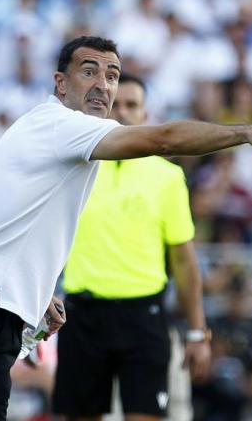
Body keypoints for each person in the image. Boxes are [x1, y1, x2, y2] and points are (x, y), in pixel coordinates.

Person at [0, 36, 252, 421]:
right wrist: (245, 132)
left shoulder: (51, 131)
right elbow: (164, 139)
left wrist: (36, 290)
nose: (103, 84)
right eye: (89, 71)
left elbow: (3, 215)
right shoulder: (63, 126)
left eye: (112, 75)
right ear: (60, 83)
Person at [52, 73, 209, 421]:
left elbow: (184, 262)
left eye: (131, 105)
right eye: (115, 104)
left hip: (144, 318)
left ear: (145, 115)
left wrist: (198, 333)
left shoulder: (167, 177)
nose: (121, 112)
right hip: (83, 316)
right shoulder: (74, 168)